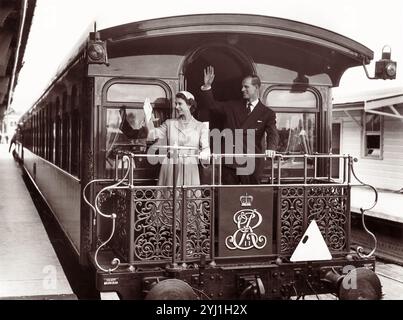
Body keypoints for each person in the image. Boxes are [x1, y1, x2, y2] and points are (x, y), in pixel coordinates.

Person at [200, 66, 279, 185]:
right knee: (229, 198)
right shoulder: (233, 106)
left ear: (256, 88)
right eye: (242, 86)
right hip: (230, 162)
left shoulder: (267, 113)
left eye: (246, 86)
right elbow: (212, 105)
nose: (242, 89)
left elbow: (273, 133)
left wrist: (271, 148)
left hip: (251, 163)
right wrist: (207, 86)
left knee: (250, 198)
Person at [144, 91, 210, 186]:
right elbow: (152, 134)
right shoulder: (169, 123)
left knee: (188, 199)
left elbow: (205, 148)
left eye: (180, 104)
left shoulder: (200, 126)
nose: (176, 107)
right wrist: (148, 116)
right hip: (170, 168)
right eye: (176, 104)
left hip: (190, 169)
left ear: (189, 105)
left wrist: (205, 153)